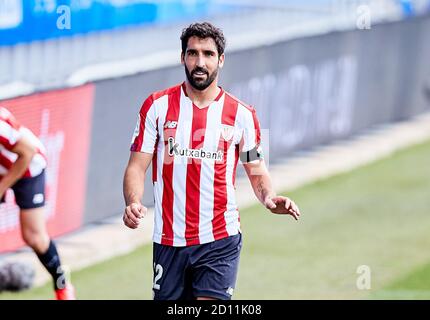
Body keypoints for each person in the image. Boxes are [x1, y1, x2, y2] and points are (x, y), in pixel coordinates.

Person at [123, 22, 301, 300]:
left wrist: (269, 197)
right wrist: (133, 202)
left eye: (208, 54)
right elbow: (136, 165)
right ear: (182, 57)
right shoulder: (155, 107)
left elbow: (256, 170)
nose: (200, 62)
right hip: (169, 241)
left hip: (220, 237)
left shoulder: (243, 115)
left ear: (221, 60)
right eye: (193, 53)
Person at [0, 107, 75, 300]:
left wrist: (1, 187)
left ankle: (63, 287)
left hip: (28, 167)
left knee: (34, 237)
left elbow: (28, 152)